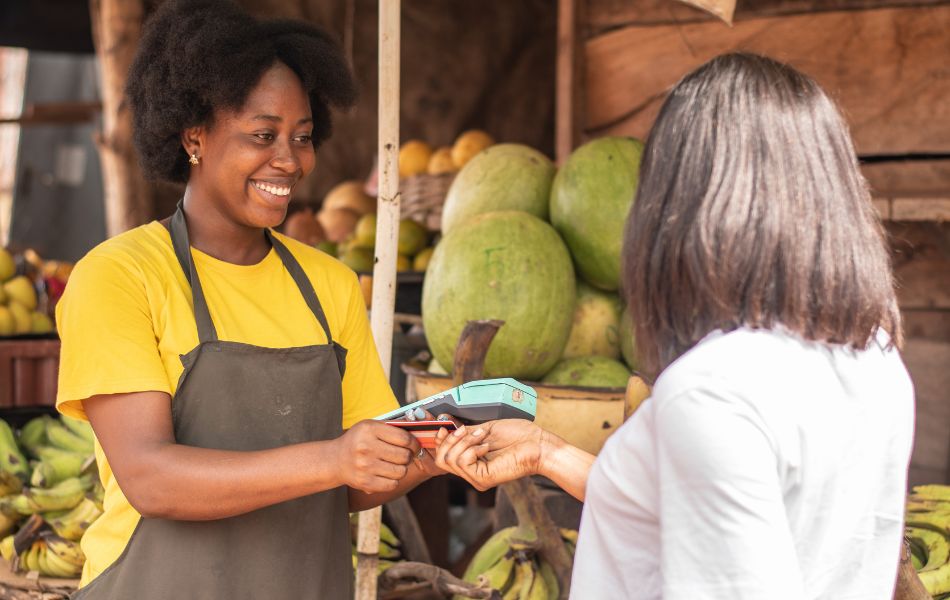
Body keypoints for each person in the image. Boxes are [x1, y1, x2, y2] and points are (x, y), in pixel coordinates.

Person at [434, 53, 915, 600]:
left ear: (683, 201)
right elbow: (723, 519)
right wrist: (548, 452)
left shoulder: (713, 390)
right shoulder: (875, 359)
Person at [54, 1, 438, 597]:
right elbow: (151, 479)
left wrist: (441, 447)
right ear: (195, 136)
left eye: (303, 137)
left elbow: (359, 481)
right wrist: (333, 459)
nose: (288, 160)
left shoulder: (328, 286)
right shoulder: (120, 276)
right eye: (263, 135)